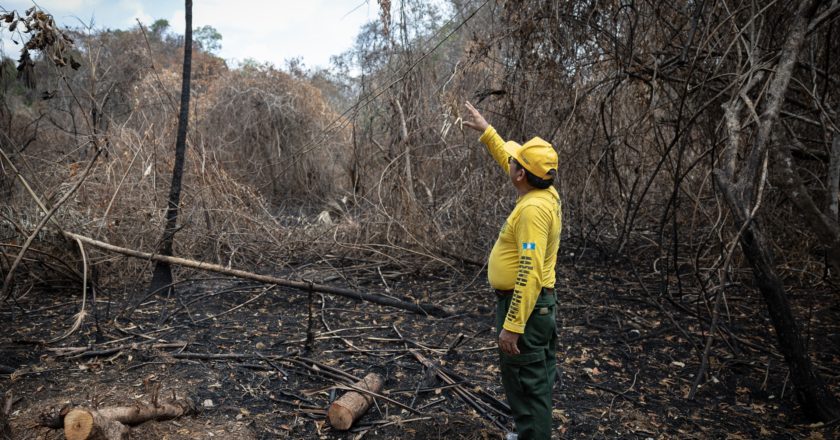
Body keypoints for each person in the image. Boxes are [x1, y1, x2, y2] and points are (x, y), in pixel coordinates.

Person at [463, 101, 561, 440]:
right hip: (540, 307)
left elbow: (530, 272)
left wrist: (513, 326)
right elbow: (509, 156)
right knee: (537, 380)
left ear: (521, 174)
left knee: (526, 385)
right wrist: (487, 130)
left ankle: (533, 434)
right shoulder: (543, 190)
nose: (511, 161)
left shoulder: (533, 210)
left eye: (516, 163)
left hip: (527, 310)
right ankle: (531, 432)